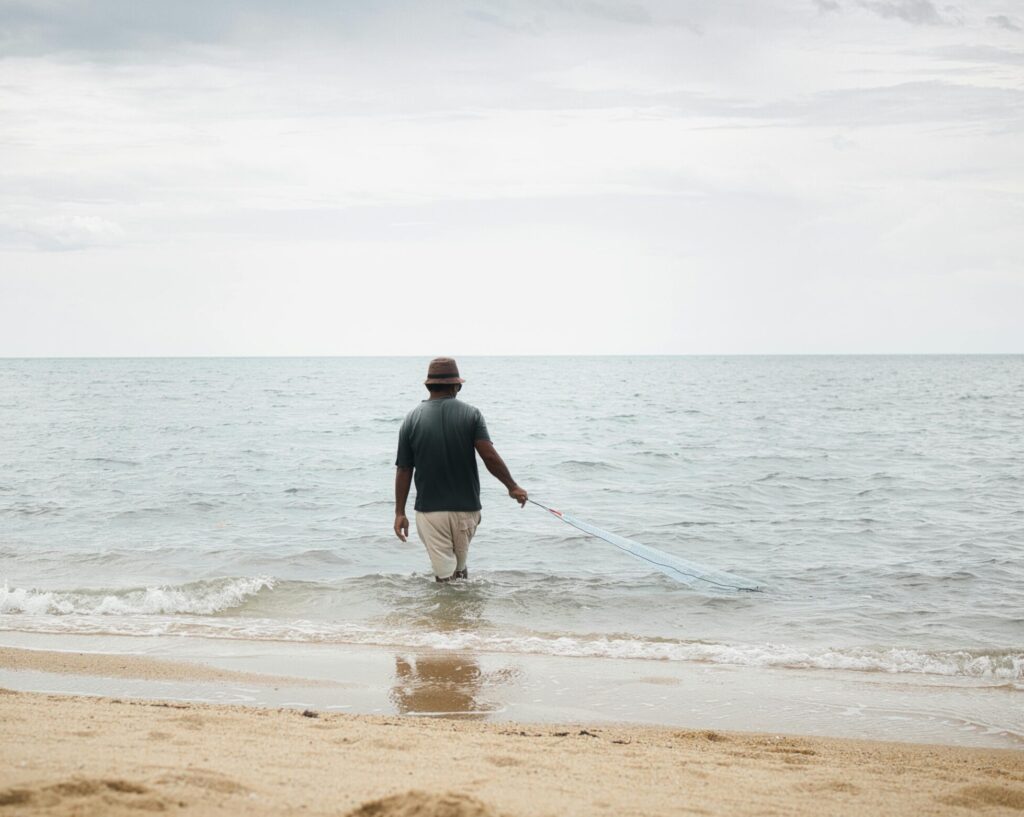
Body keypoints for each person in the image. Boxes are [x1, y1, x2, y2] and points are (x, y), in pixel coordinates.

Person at [393, 357, 527, 581]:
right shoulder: (472, 415)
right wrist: (512, 486)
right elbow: (489, 456)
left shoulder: (410, 420)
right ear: (457, 386)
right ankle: (464, 614)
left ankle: (446, 615)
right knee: (460, 570)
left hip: (430, 512)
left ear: (428, 386)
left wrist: (399, 512)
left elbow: (404, 470)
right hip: (467, 510)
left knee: (444, 577)